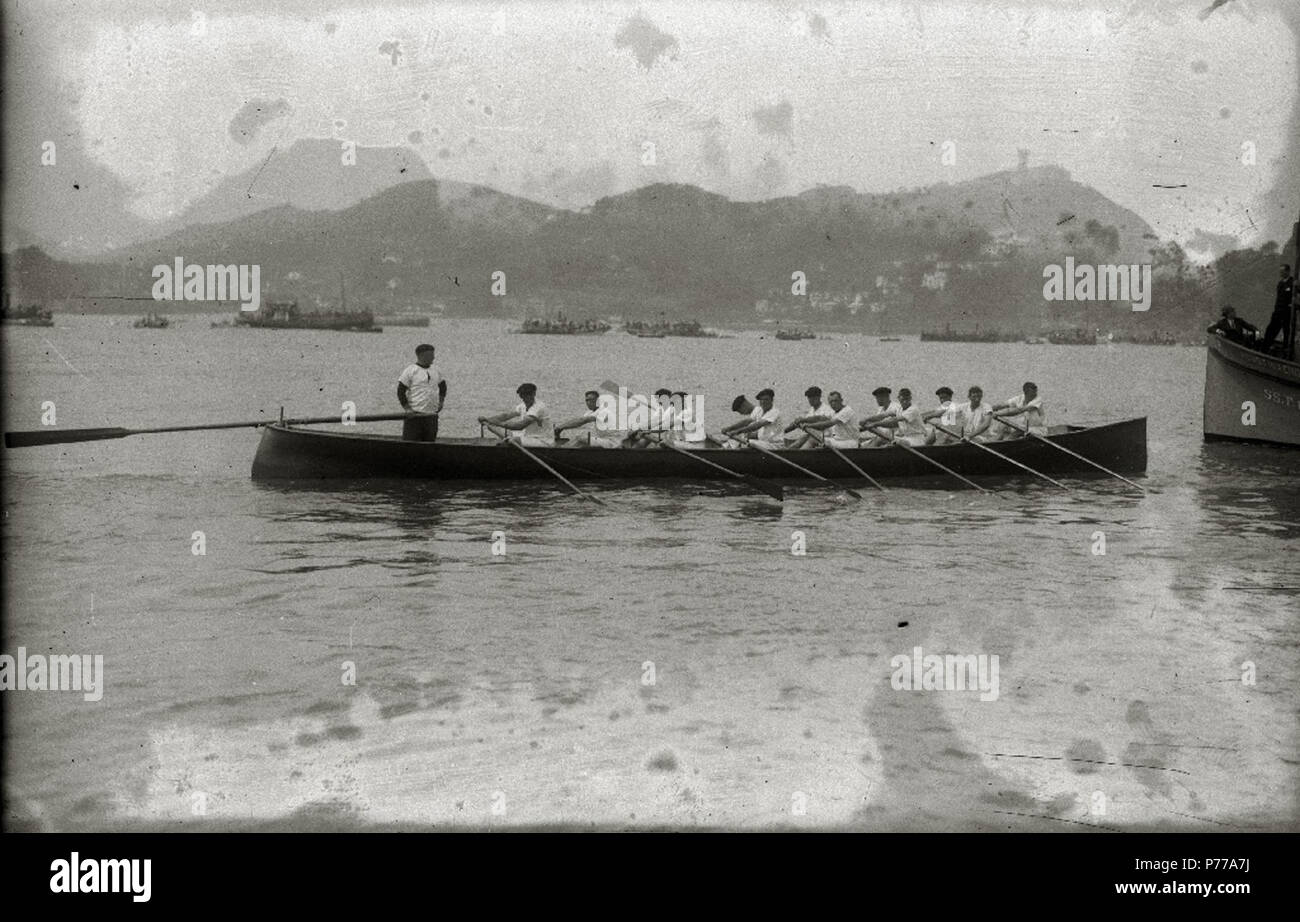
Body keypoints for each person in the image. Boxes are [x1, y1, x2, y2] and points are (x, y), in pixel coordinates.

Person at [478, 383, 554, 447]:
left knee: (513, 440)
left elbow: (519, 426)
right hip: (528, 436)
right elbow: (506, 416)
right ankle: (507, 441)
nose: (524, 399)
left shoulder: (538, 408)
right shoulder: (523, 405)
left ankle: (505, 444)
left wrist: (498, 423)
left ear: (534, 394)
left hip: (543, 440)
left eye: (527, 396)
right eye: (522, 397)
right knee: (491, 427)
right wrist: (488, 420)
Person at [397, 343, 446, 441]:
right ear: (422, 356)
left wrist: (441, 402)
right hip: (415, 415)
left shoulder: (436, 370)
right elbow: (400, 391)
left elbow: (443, 386)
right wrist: (407, 408)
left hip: (431, 415)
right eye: (431, 355)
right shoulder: (410, 370)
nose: (433, 358)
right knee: (411, 443)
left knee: (430, 442)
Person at [554, 390, 623, 448]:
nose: (588, 403)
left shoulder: (603, 411)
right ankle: (564, 450)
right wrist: (558, 430)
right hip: (604, 440)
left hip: (613, 442)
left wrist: (560, 427)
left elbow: (582, 421)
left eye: (591, 400)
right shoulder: (590, 412)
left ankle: (561, 451)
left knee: (580, 438)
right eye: (587, 400)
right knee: (580, 439)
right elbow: (578, 423)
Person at [1259, 264, 1296, 355]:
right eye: (1280, 271)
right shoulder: (1280, 283)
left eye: (1282, 271)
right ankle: (1264, 349)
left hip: (1287, 313)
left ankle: (1286, 352)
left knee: (1287, 332)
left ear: (1288, 271)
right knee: (1271, 329)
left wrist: (1293, 305)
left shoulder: (1293, 283)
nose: (1281, 273)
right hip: (1278, 311)